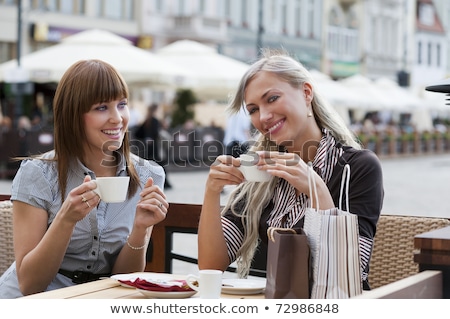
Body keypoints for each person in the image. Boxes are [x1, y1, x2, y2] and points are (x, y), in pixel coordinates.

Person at [198, 49, 384, 290]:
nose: (263, 116)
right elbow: (211, 266)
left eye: (272, 98)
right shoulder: (260, 170)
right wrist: (212, 192)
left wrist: (315, 187)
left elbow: (348, 276)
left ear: (306, 93)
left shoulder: (357, 167)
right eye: (253, 109)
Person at [0, 59, 168, 298]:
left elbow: (125, 276)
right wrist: (65, 220)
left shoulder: (148, 176)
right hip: (31, 302)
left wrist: (141, 229)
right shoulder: (37, 174)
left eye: (122, 104)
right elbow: (30, 284)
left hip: (97, 299)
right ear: (73, 116)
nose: (117, 118)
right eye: (101, 108)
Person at [135, 103, 173, 189]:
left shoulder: (146, 121)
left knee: (151, 166)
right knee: (159, 165)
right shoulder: (155, 120)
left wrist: (146, 138)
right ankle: (165, 184)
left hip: (147, 149)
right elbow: (156, 133)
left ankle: (151, 182)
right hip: (156, 148)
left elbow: (138, 133)